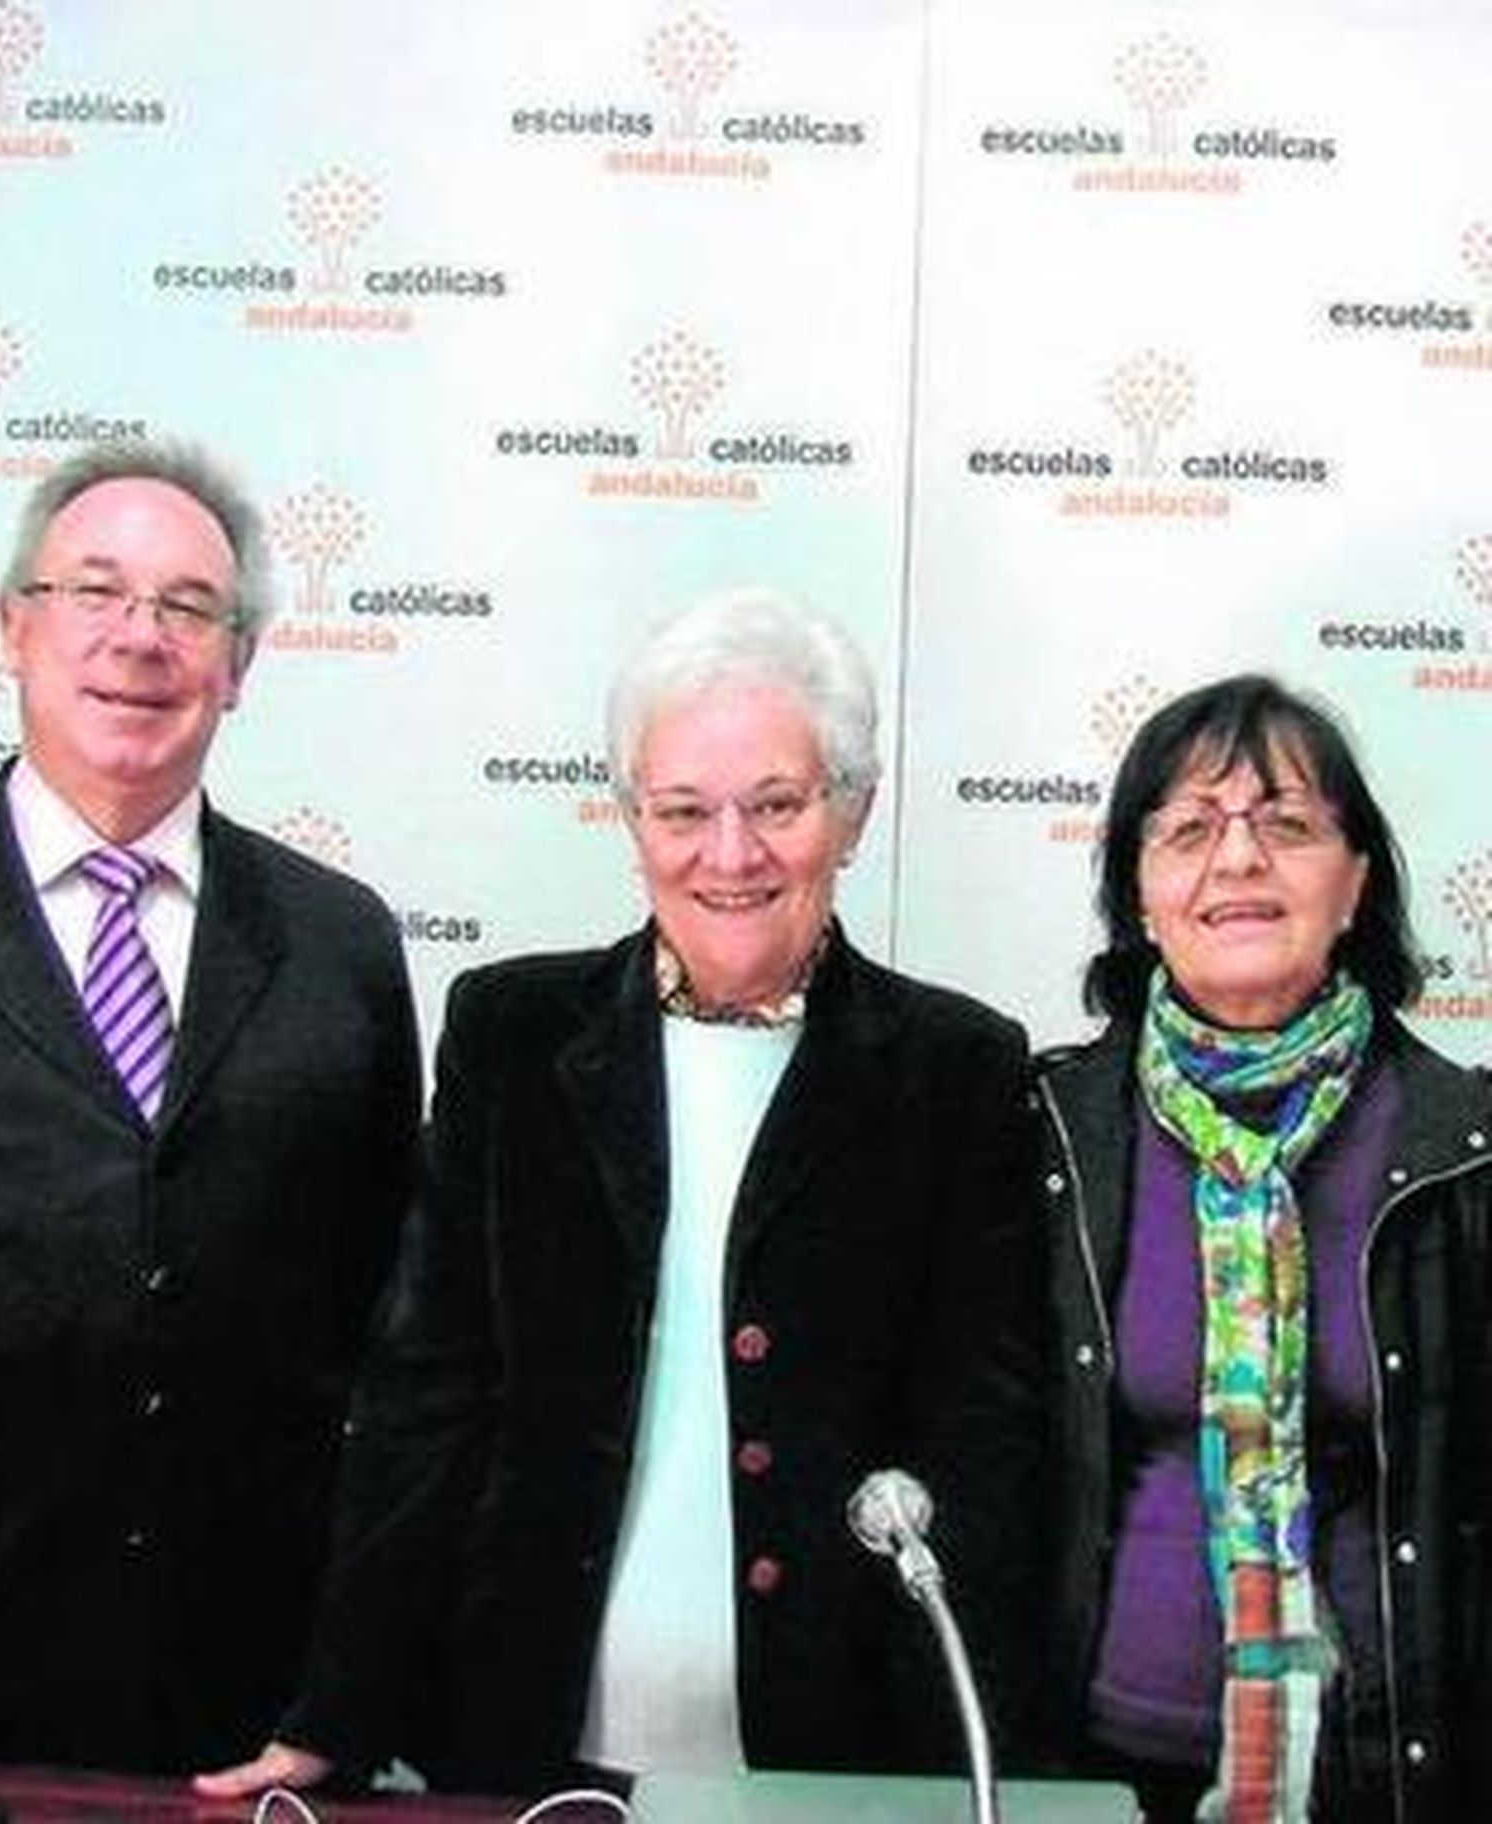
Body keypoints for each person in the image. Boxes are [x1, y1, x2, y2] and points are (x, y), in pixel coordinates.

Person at [198, 586, 1048, 1800]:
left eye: (777, 805)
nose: (730, 854)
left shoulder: (955, 1069)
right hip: (522, 1738)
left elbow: (984, 1440)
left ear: (852, 813)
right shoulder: (511, 1034)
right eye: (683, 810)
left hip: (839, 1753)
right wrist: (339, 1703)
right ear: (631, 818)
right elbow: (425, 1397)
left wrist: (976, 1769)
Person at [0, 440, 421, 1773]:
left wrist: (356, 1683)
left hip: (255, 1696)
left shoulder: (340, 943)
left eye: (190, 607)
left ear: (239, 665)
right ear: (13, 626)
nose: (140, 638)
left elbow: (395, 1333)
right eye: (95, 591)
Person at [1037, 673, 1492, 1823]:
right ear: (1138, 897)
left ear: (1355, 885)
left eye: (1286, 825)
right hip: (1090, 1769)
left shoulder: (1466, 1148)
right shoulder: (1044, 1134)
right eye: (1189, 830)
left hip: (1386, 1772)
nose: (1237, 859)